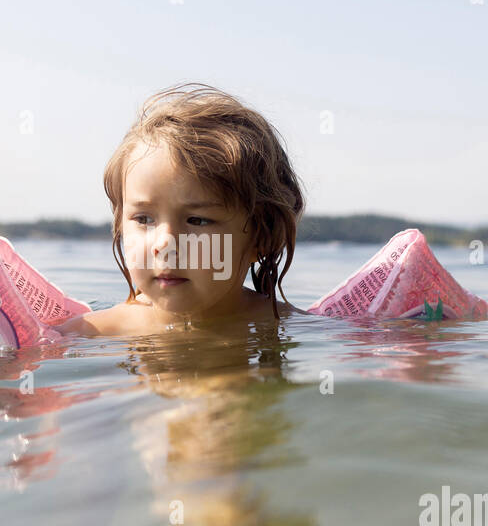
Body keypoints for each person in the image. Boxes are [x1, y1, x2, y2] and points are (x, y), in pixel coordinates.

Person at [60, 83, 309, 338]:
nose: (165, 245)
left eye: (197, 221)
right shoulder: (90, 333)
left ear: (262, 238)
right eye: (143, 219)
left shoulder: (292, 328)